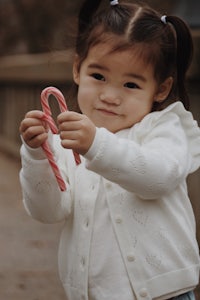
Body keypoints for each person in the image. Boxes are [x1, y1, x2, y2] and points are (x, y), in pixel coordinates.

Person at [19, 0, 200, 299]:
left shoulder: (164, 129)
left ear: (161, 89)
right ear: (78, 69)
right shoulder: (66, 139)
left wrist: (96, 145)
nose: (110, 96)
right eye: (98, 76)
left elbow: (158, 177)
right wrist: (38, 155)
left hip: (165, 292)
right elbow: (48, 211)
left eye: (131, 84)